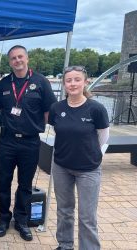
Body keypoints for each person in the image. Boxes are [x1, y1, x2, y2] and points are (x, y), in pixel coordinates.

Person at [0, 45, 57, 241]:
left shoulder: (41, 82)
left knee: (25, 184)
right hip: (7, 142)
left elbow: (48, 112)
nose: (17, 61)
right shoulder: (4, 83)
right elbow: (1, 110)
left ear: (27, 59)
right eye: (13, 58)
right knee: (3, 181)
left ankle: (21, 219)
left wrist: (31, 126)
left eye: (20, 57)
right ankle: (4, 218)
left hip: (30, 142)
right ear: (10, 61)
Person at [48, 66, 109, 250]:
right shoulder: (56, 108)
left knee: (87, 216)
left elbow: (103, 137)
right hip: (61, 166)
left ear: (85, 82)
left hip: (88, 169)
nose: (72, 84)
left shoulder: (96, 109)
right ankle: (65, 244)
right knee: (64, 210)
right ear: (64, 83)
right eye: (69, 80)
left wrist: (89, 153)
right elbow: (55, 131)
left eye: (77, 79)